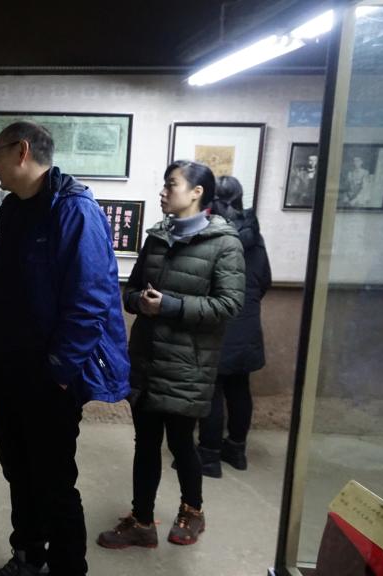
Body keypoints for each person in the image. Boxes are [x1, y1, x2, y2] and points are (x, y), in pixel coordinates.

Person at [0, 121, 131, 576]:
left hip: (47, 376)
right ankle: (27, 556)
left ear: (21, 151)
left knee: (53, 481)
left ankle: (67, 568)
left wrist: (59, 372)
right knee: (18, 471)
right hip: (5, 366)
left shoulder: (74, 211)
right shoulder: (14, 210)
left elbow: (90, 300)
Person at [96, 160, 244, 550]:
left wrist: (171, 306)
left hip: (188, 364)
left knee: (181, 443)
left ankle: (192, 512)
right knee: (145, 443)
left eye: (171, 185)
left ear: (197, 192)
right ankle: (142, 521)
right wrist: (139, 303)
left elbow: (229, 305)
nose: (163, 192)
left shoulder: (224, 243)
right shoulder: (157, 238)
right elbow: (129, 292)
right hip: (147, 360)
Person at [198, 176, 272, 477]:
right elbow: (264, 280)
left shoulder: (212, 232)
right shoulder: (254, 233)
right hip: (248, 323)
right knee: (240, 388)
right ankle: (237, 450)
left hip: (217, 323)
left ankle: (209, 456)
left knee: (212, 390)